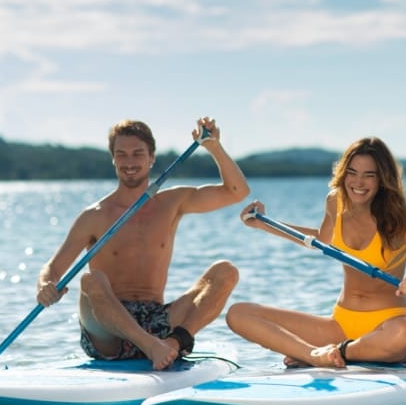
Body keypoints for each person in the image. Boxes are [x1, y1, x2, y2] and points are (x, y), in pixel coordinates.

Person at [37, 117, 250, 370]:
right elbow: (54, 267)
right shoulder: (94, 216)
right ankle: (152, 347)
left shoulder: (172, 203)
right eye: (121, 155)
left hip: (157, 321)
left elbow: (237, 191)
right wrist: (45, 286)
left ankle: (174, 343)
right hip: (107, 334)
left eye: (138, 154)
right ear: (113, 159)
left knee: (225, 272)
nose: (129, 162)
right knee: (91, 280)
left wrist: (213, 147)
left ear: (151, 158)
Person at [226, 137, 406, 369]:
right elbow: (321, 241)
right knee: (239, 313)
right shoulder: (335, 202)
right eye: (352, 172)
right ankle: (313, 355)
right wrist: (264, 224)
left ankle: (340, 352)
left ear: (382, 178)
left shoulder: (400, 221)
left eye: (369, 175)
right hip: (340, 325)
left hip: (387, 325)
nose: (358, 182)